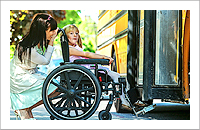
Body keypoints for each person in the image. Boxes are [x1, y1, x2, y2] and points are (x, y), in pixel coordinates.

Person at [62, 24, 131, 109]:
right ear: (66, 36)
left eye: (76, 33)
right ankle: (124, 101)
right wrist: (103, 57)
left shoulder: (74, 48)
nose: (75, 35)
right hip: (83, 72)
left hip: (84, 70)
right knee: (116, 76)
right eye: (71, 33)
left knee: (116, 76)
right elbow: (86, 54)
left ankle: (125, 100)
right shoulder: (70, 49)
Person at [10, 13, 60, 120]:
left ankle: (26, 108)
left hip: (29, 73)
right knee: (54, 87)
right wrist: (51, 41)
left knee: (57, 87)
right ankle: (24, 109)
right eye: (51, 30)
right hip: (19, 77)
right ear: (41, 31)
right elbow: (45, 61)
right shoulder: (27, 48)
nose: (53, 33)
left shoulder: (36, 42)